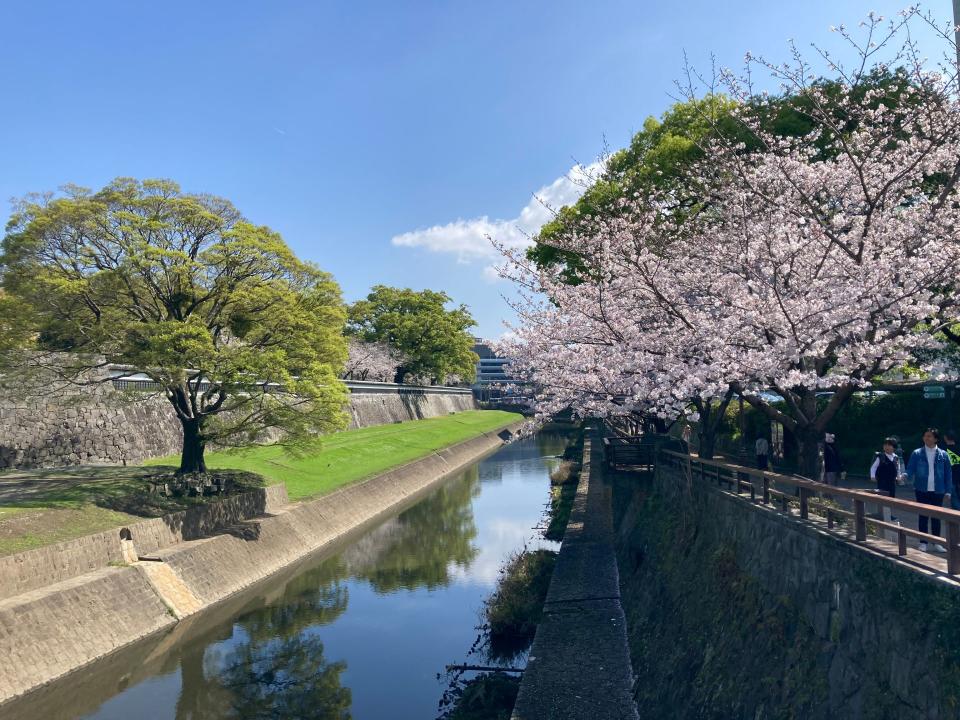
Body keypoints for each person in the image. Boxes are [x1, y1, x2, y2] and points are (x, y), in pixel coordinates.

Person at [905, 427, 951, 553]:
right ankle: (923, 542)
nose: (926, 438)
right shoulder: (917, 453)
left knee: (937, 517)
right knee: (923, 515)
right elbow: (910, 469)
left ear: (936, 439)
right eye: (925, 435)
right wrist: (904, 475)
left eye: (929, 436)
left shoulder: (944, 454)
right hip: (921, 489)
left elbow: (948, 473)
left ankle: (936, 542)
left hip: (938, 490)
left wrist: (948, 491)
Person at [870, 437, 904, 522]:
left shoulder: (896, 457)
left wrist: (898, 477)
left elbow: (898, 469)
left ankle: (888, 515)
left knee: (890, 498)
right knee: (882, 498)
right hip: (882, 481)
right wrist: (872, 476)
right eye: (885, 445)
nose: (887, 447)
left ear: (894, 447)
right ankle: (882, 515)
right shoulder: (880, 456)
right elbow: (873, 467)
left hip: (892, 482)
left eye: (889, 445)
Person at [942, 430, 960, 511]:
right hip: (958, 478)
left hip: (950, 479)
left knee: (955, 502)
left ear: (945, 438)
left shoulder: (943, 451)